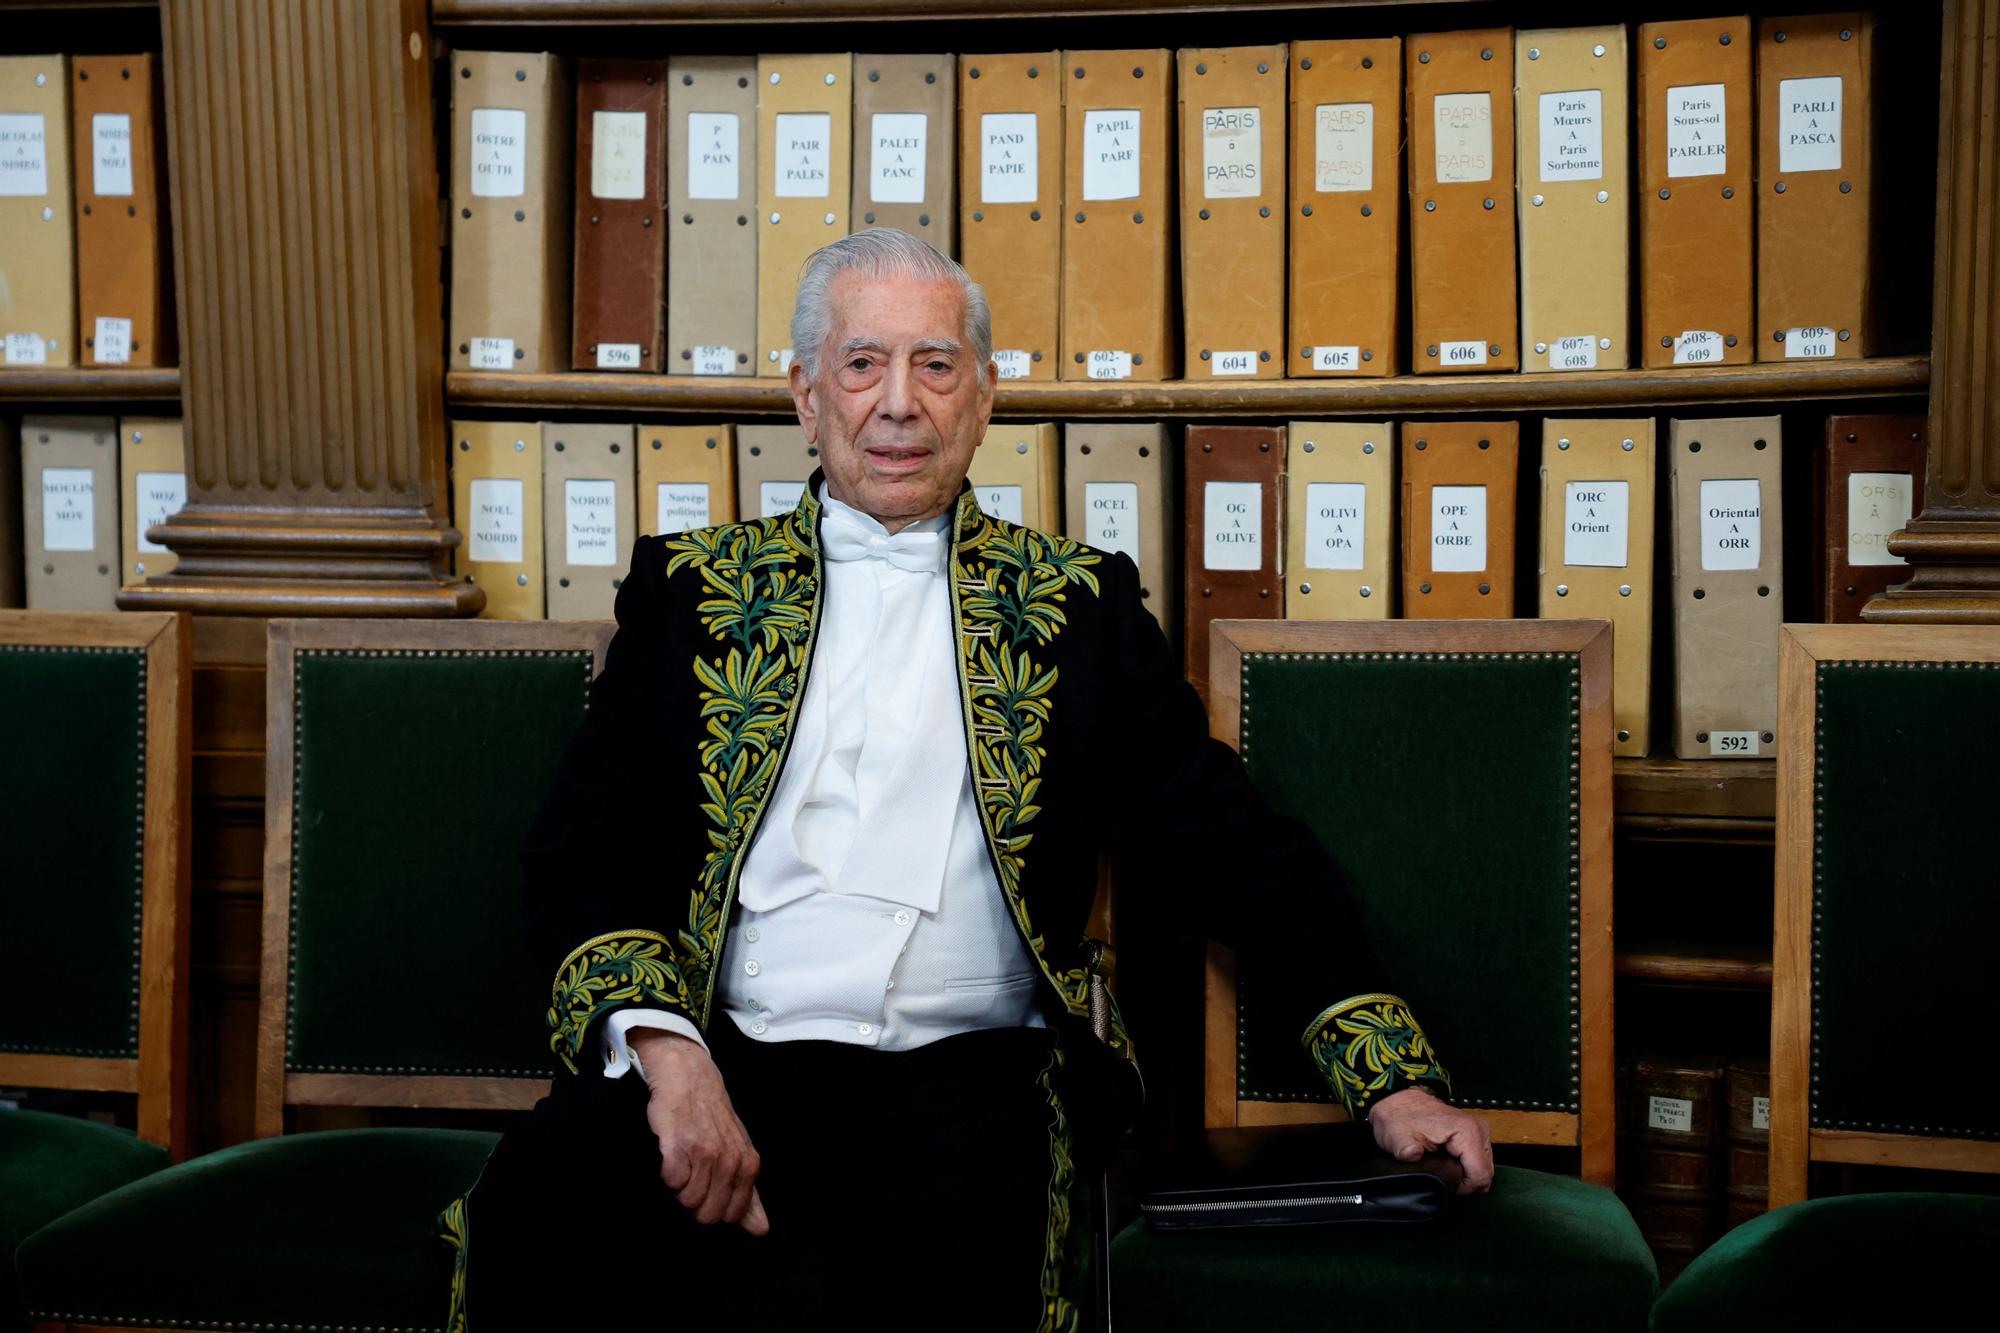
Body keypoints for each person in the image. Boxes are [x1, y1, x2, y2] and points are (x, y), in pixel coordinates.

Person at [439, 228, 1492, 1331]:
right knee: (543, 1208)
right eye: (861, 364)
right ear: (805, 395)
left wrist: (1390, 1079)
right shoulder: (691, 590)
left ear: (982, 399)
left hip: (971, 1076)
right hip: (726, 1049)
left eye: (935, 366)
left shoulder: (1076, 605)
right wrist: (668, 1058)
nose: (899, 403)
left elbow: (1223, 839)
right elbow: (582, 846)